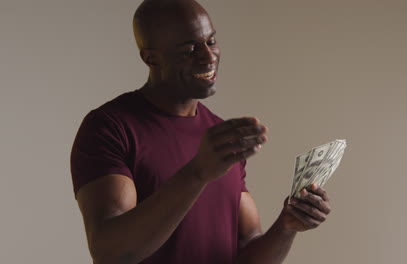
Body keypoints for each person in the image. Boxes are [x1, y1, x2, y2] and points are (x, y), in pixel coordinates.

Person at [70, 0, 331, 263]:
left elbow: (247, 249)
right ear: (150, 58)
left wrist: (286, 227)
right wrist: (198, 172)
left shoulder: (220, 138)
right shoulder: (110, 128)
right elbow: (110, 252)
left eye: (211, 41)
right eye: (189, 49)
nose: (208, 56)